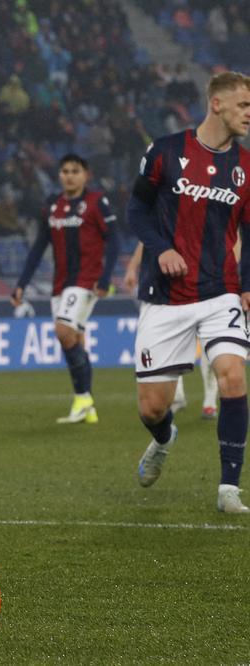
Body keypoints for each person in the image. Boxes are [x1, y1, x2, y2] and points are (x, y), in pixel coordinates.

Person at [128, 71, 250, 514]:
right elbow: (136, 210)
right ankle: (163, 439)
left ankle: (229, 489)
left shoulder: (246, 168)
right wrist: (159, 250)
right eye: (243, 105)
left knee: (232, 375)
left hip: (221, 292)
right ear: (216, 104)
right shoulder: (164, 152)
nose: (249, 114)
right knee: (153, 408)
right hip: (166, 297)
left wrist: (247, 286)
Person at [11, 154, 120, 424]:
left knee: (63, 331)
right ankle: (87, 405)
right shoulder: (52, 206)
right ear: (59, 175)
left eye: (75, 171)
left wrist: (105, 278)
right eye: (65, 171)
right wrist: (21, 283)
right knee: (75, 340)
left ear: (86, 175)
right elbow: (39, 247)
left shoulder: (97, 202)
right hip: (60, 283)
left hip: (86, 280)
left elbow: (114, 240)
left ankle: (82, 397)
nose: (69, 175)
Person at [124, 242, 219, 418]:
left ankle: (210, 401)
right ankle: (178, 397)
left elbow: (233, 236)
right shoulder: (164, 215)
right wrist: (132, 267)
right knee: (173, 344)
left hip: (208, 284)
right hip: (174, 285)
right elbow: (147, 235)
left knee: (210, 344)